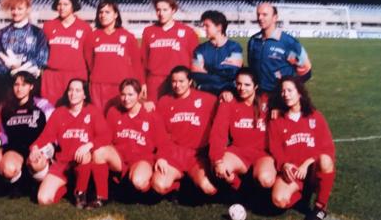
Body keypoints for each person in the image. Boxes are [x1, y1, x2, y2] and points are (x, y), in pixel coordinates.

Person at [29, 78, 110, 208]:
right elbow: (46, 136)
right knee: (43, 199)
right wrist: (34, 148)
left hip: (82, 162)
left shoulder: (92, 111)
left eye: (77, 90)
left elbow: (105, 135)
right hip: (63, 163)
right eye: (70, 90)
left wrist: (89, 145)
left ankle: (80, 194)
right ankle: (66, 189)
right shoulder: (59, 112)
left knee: (85, 155)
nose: (73, 93)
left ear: (84, 95)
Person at [89, 78, 167, 208]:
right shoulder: (114, 112)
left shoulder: (150, 114)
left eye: (130, 95)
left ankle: (140, 191)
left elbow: (163, 141)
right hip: (120, 159)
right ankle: (101, 196)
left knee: (138, 181)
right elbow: (106, 136)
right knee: (99, 152)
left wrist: (162, 157)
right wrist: (91, 145)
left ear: (139, 94)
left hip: (142, 159)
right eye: (123, 94)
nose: (126, 99)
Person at [269, 77, 335, 220]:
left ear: (299, 93)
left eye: (290, 90)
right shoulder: (277, 120)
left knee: (325, 160)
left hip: (312, 171)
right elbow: (275, 148)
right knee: (279, 200)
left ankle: (320, 207)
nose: (286, 94)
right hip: (293, 172)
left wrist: (307, 163)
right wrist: (284, 164)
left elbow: (327, 148)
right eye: (283, 91)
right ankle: (303, 194)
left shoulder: (315, 116)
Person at [151, 66, 218, 197]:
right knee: (159, 185)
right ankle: (178, 184)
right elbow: (160, 134)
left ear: (190, 82)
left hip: (197, 156)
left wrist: (228, 93)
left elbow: (223, 119)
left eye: (181, 81)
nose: (177, 85)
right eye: (174, 81)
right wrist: (162, 157)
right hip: (174, 153)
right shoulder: (164, 101)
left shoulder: (208, 99)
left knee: (208, 188)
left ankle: (191, 181)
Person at [208, 68, 275, 191]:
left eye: (247, 85)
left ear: (256, 86)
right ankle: (239, 188)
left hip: (263, 153)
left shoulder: (269, 103)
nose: (242, 88)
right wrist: (217, 160)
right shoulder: (229, 101)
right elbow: (218, 133)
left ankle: (256, 189)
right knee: (222, 169)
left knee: (266, 179)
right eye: (238, 84)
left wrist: (278, 108)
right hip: (238, 152)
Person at [0, 71, 54, 196]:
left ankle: (36, 182)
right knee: (8, 169)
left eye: (24, 85)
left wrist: (45, 149)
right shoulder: (7, 108)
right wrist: (1, 145)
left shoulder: (43, 105)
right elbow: (2, 133)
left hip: (37, 148)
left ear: (31, 86)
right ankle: (20, 184)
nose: (19, 89)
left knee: (37, 164)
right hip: (16, 150)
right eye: (16, 85)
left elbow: (53, 129)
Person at [84, 0, 144, 112]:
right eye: (101, 12)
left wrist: (141, 84)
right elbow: (89, 62)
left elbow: (136, 63)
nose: (103, 15)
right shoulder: (92, 36)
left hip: (121, 86)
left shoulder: (128, 36)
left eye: (107, 12)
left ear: (116, 14)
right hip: (98, 85)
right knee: (99, 117)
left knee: (119, 117)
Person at [0, 0, 49, 104]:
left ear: (28, 9)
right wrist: (11, 68)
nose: (16, 12)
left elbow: (42, 58)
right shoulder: (2, 33)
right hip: (8, 85)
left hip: (31, 85)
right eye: (13, 9)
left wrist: (20, 66)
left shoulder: (37, 32)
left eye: (20, 8)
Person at [141, 0, 198, 101]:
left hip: (179, 81)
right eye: (158, 10)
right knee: (155, 113)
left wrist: (193, 80)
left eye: (165, 10)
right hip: (154, 81)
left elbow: (195, 60)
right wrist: (142, 82)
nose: (161, 13)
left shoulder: (187, 32)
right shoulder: (148, 31)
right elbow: (143, 60)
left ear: (173, 10)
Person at [248, 3, 312, 98]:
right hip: (258, 96)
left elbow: (306, 70)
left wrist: (290, 88)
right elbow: (252, 68)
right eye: (258, 14)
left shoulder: (287, 43)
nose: (260, 18)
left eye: (265, 14)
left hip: (280, 96)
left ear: (275, 18)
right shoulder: (254, 41)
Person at [42, 0, 91, 105]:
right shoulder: (48, 26)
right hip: (52, 76)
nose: (61, 7)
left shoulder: (84, 28)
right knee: (50, 110)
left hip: (76, 75)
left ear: (73, 6)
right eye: (59, 4)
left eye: (65, 4)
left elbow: (88, 56)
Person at [191, 10, 243, 101]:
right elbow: (197, 75)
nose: (204, 28)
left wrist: (208, 71)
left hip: (228, 94)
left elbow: (233, 72)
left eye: (207, 26)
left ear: (219, 27)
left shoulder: (234, 47)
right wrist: (221, 71)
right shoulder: (200, 49)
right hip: (205, 95)